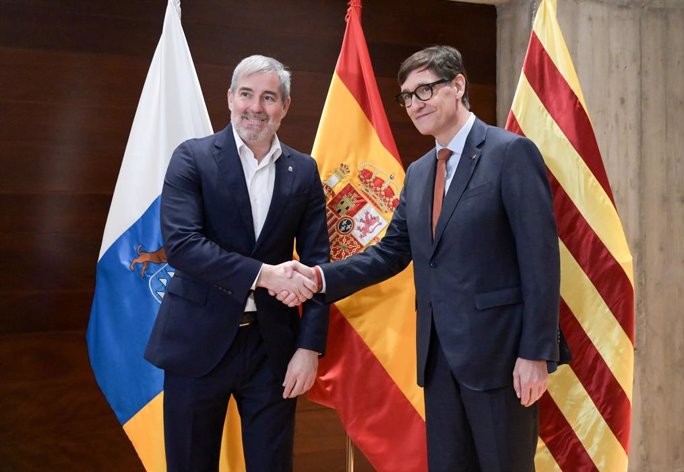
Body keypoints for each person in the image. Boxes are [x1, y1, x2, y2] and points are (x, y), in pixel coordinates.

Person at [281, 45, 565, 472]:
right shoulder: (418, 173)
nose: (415, 104)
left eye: (425, 90)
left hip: (502, 360)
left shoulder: (510, 153)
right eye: (407, 96)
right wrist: (319, 277)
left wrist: (536, 353)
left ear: (458, 86)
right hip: (438, 361)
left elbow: (540, 261)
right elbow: (391, 253)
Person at [144, 55, 330, 472]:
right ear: (229, 98)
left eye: (268, 97)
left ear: (285, 106)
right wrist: (265, 275)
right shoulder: (192, 158)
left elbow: (319, 265)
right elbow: (183, 246)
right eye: (246, 94)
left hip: (273, 349)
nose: (255, 107)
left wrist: (309, 346)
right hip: (196, 343)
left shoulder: (303, 170)